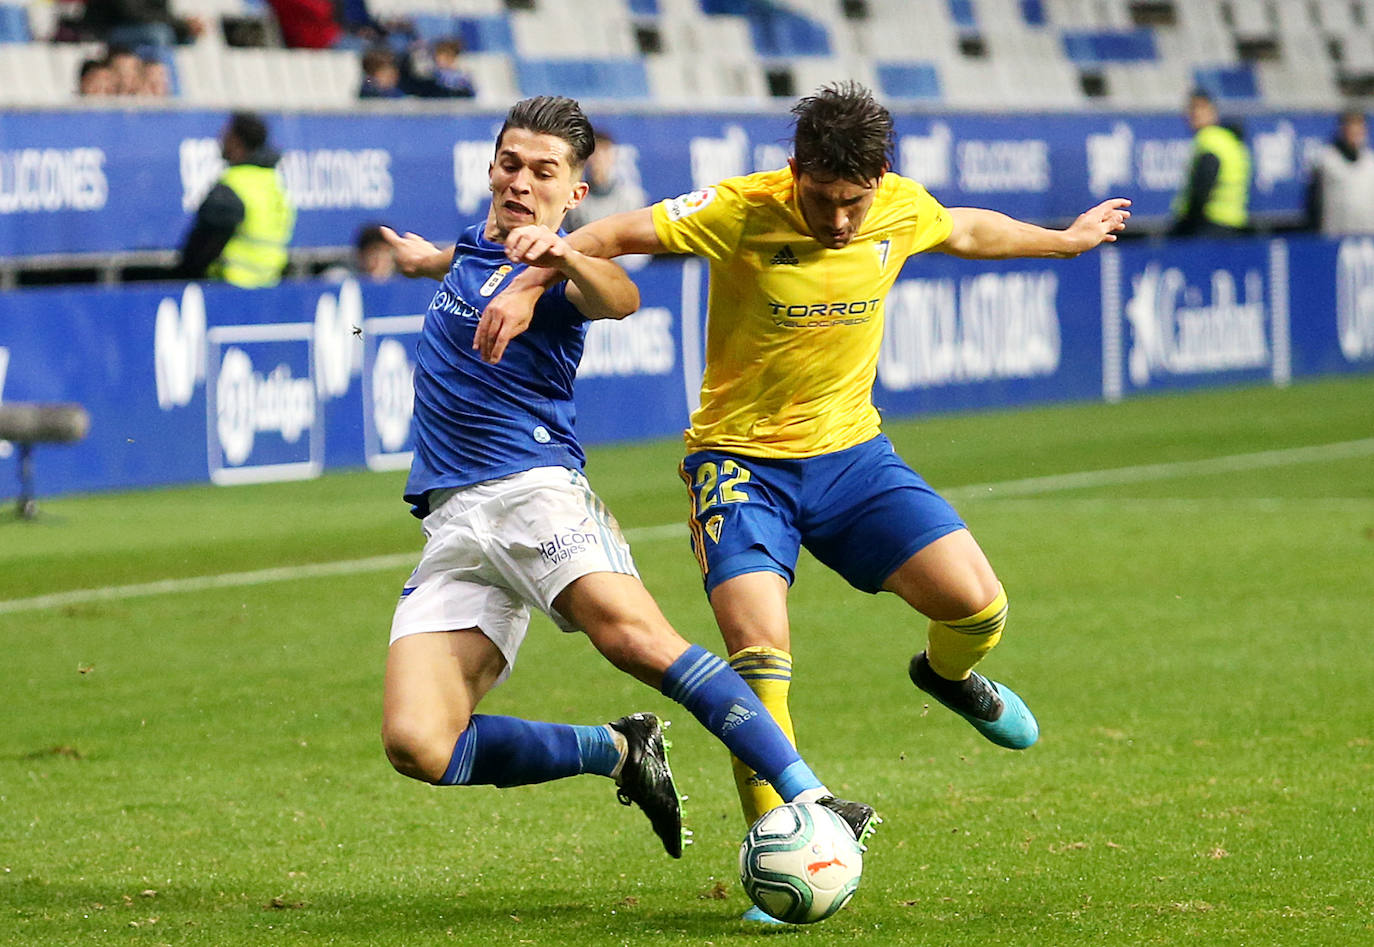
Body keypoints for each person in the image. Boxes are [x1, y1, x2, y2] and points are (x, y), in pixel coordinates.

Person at [443, 83, 1129, 920]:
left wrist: (1063, 241)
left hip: (853, 459)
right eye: (822, 200)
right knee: (759, 653)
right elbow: (616, 233)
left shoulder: (898, 206)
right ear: (795, 170)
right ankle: (783, 848)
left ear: (880, 178)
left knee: (979, 608)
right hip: (739, 468)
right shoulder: (739, 208)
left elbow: (971, 228)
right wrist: (524, 282)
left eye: (854, 203)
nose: (840, 221)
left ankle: (950, 679)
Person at [376, 96, 877, 878]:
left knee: (637, 640)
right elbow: (474, 256)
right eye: (511, 163)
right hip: (453, 522)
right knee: (418, 743)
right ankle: (618, 749)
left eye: (545, 172)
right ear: (490, 167)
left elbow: (620, 295)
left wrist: (566, 257)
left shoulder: (561, 267)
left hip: (533, 493)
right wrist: (428, 259)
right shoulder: (480, 244)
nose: (521, 182)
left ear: (575, 192)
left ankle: (812, 796)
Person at [175, 112, 295, 288]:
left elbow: (200, 250)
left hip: (230, 288)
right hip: (269, 286)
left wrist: (182, 276)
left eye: (226, 134)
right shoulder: (273, 182)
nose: (221, 139)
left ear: (237, 141)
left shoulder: (233, 186)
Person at [1169, 89, 1250, 237]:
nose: (1194, 114)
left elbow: (1203, 185)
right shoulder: (1231, 140)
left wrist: (1185, 225)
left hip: (1210, 225)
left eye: (1199, 108)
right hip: (1234, 223)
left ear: (1213, 111)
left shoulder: (1209, 140)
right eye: (1191, 109)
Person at [562, 128, 647, 232]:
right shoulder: (574, 199)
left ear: (613, 156)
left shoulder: (632, 199)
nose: (599, 158)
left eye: (604, 151)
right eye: (594, 153)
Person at [1306, 108, 1374, 236]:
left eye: (1359, 125)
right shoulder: (1326, 161)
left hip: (1368, 238)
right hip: (1335, 238)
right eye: (1351, 125)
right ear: (1342, 128)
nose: (1355, 131)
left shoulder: (1371, 162)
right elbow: (1314, 203)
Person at [81, 0, 205, 48]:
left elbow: (163, 13)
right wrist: (182, 24)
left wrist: (187, 27)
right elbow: (131, 13)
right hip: (109, 28)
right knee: (158, 34)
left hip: (140, 28)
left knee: (188, 38)